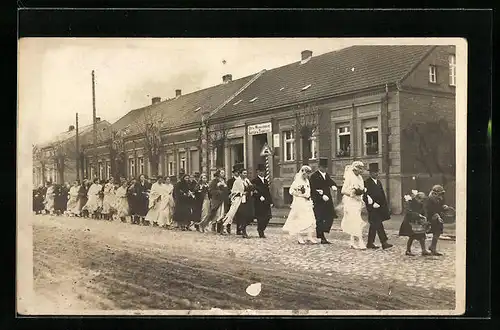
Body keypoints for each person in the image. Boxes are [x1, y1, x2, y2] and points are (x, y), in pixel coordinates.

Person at [282, 165, 318, 244]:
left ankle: (310, 236)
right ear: (303, 173)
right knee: (300, 220)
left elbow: (308, 190)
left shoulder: (307, 181)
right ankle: (299, 237)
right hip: (300, 202)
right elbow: (291, 191)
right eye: (307, 173)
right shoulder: (297, 181)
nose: (308, 175)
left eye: (309, 174)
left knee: (310, 219)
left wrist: (308, 196)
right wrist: (299, 193)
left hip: (307, 202)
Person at [362, 163, 393, 250]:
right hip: (372, 208)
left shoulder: (379, 182)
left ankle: (370, 243)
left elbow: (382, 195)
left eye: (377, 172)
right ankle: (384, 242)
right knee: (378, 224)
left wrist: (384, 206)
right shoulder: (366, 182)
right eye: (374, 172)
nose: (376, 174)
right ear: (370, 173)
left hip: (379, 207)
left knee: (374, 225)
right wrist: (371, 204)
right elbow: (364, 195)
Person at [309, 158, 338, 244]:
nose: (325, 169)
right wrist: (321, 196)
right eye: (323, 167)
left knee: (331, 215)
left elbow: (330, 182)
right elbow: (312, 189)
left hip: (327, 200)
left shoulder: (326, 175)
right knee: (320, 219)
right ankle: (322, 237)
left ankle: (324, 231)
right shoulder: (314, 176)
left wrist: (333, 185)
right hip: (319, 201)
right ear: (319, 167)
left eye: (326, 167)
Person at [340, 161, 368, 250]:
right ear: (355, 169)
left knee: (355, 221)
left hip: (357, 202)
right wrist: (352, 194)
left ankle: (352, 242)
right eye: (359, 170)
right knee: (356, 221)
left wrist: (361, 193)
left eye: (361, 170)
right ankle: (360, 242)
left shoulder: (360, 178)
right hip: (350, 202)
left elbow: (361, 189)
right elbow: (343, 190)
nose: (360, 172)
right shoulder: (349, 177)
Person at [399, 191, 432, 256]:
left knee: (422, 236)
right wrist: (418, 215)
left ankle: (424, 250)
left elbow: (423, 211)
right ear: (417, 198)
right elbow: (409, 212)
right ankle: (408, 250)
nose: (422, 201)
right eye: (421, 200)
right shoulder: (410, 203)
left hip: (418, 222)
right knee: (412, 236)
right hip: (410, 222)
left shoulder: (421, 204)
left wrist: (424, 217)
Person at [251, 164, 273, 238]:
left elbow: (268, 191)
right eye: (260, 171)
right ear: (257, 172)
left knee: (268, 217)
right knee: (260, 218)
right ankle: (260, 231)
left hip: (266, 201)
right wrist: (259, 196)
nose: (262, 173)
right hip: (259, 202)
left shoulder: (266, 180)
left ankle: (262, 229)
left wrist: (271, 201)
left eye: (263, 171)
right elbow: (253, 191)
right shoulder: (254, 180)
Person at [426, 185, 448, 256]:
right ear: (434, 193)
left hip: (438, 217)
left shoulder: (440, 199)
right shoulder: (429, 199)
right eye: (439, 193)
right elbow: (429, 209)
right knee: (422, 234)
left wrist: (444, 207)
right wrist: (435, 215)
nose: (441, 195)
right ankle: (427, 248)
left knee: (437, 233)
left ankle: (433, 247)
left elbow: (440, 207)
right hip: (432, 217)